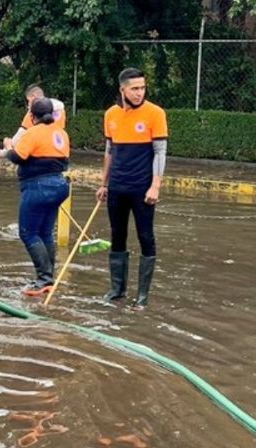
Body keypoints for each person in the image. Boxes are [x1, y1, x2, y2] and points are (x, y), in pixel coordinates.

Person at [96, 67, 167, 309]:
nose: (139, 93)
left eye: (142, 88)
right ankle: (117, 290)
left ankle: (142, 296)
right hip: (117, 186)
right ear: (122, 89)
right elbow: (109, 151)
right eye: (134, 89)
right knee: (118, 236)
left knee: (146, 236)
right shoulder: (111, 115)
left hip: (142, 188)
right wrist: (103, 184)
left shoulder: (155, 113)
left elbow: (160, 152)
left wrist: (155, 185)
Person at [0, 98, 70, 296]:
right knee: (45, 232)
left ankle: (43, 278)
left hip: (38, 187)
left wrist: (5, 153)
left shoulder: (33, 133)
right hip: (60, 186)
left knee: (28, 233)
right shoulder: (61, 133)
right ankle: (48, 278)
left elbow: (19, 156)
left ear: (31, 116)